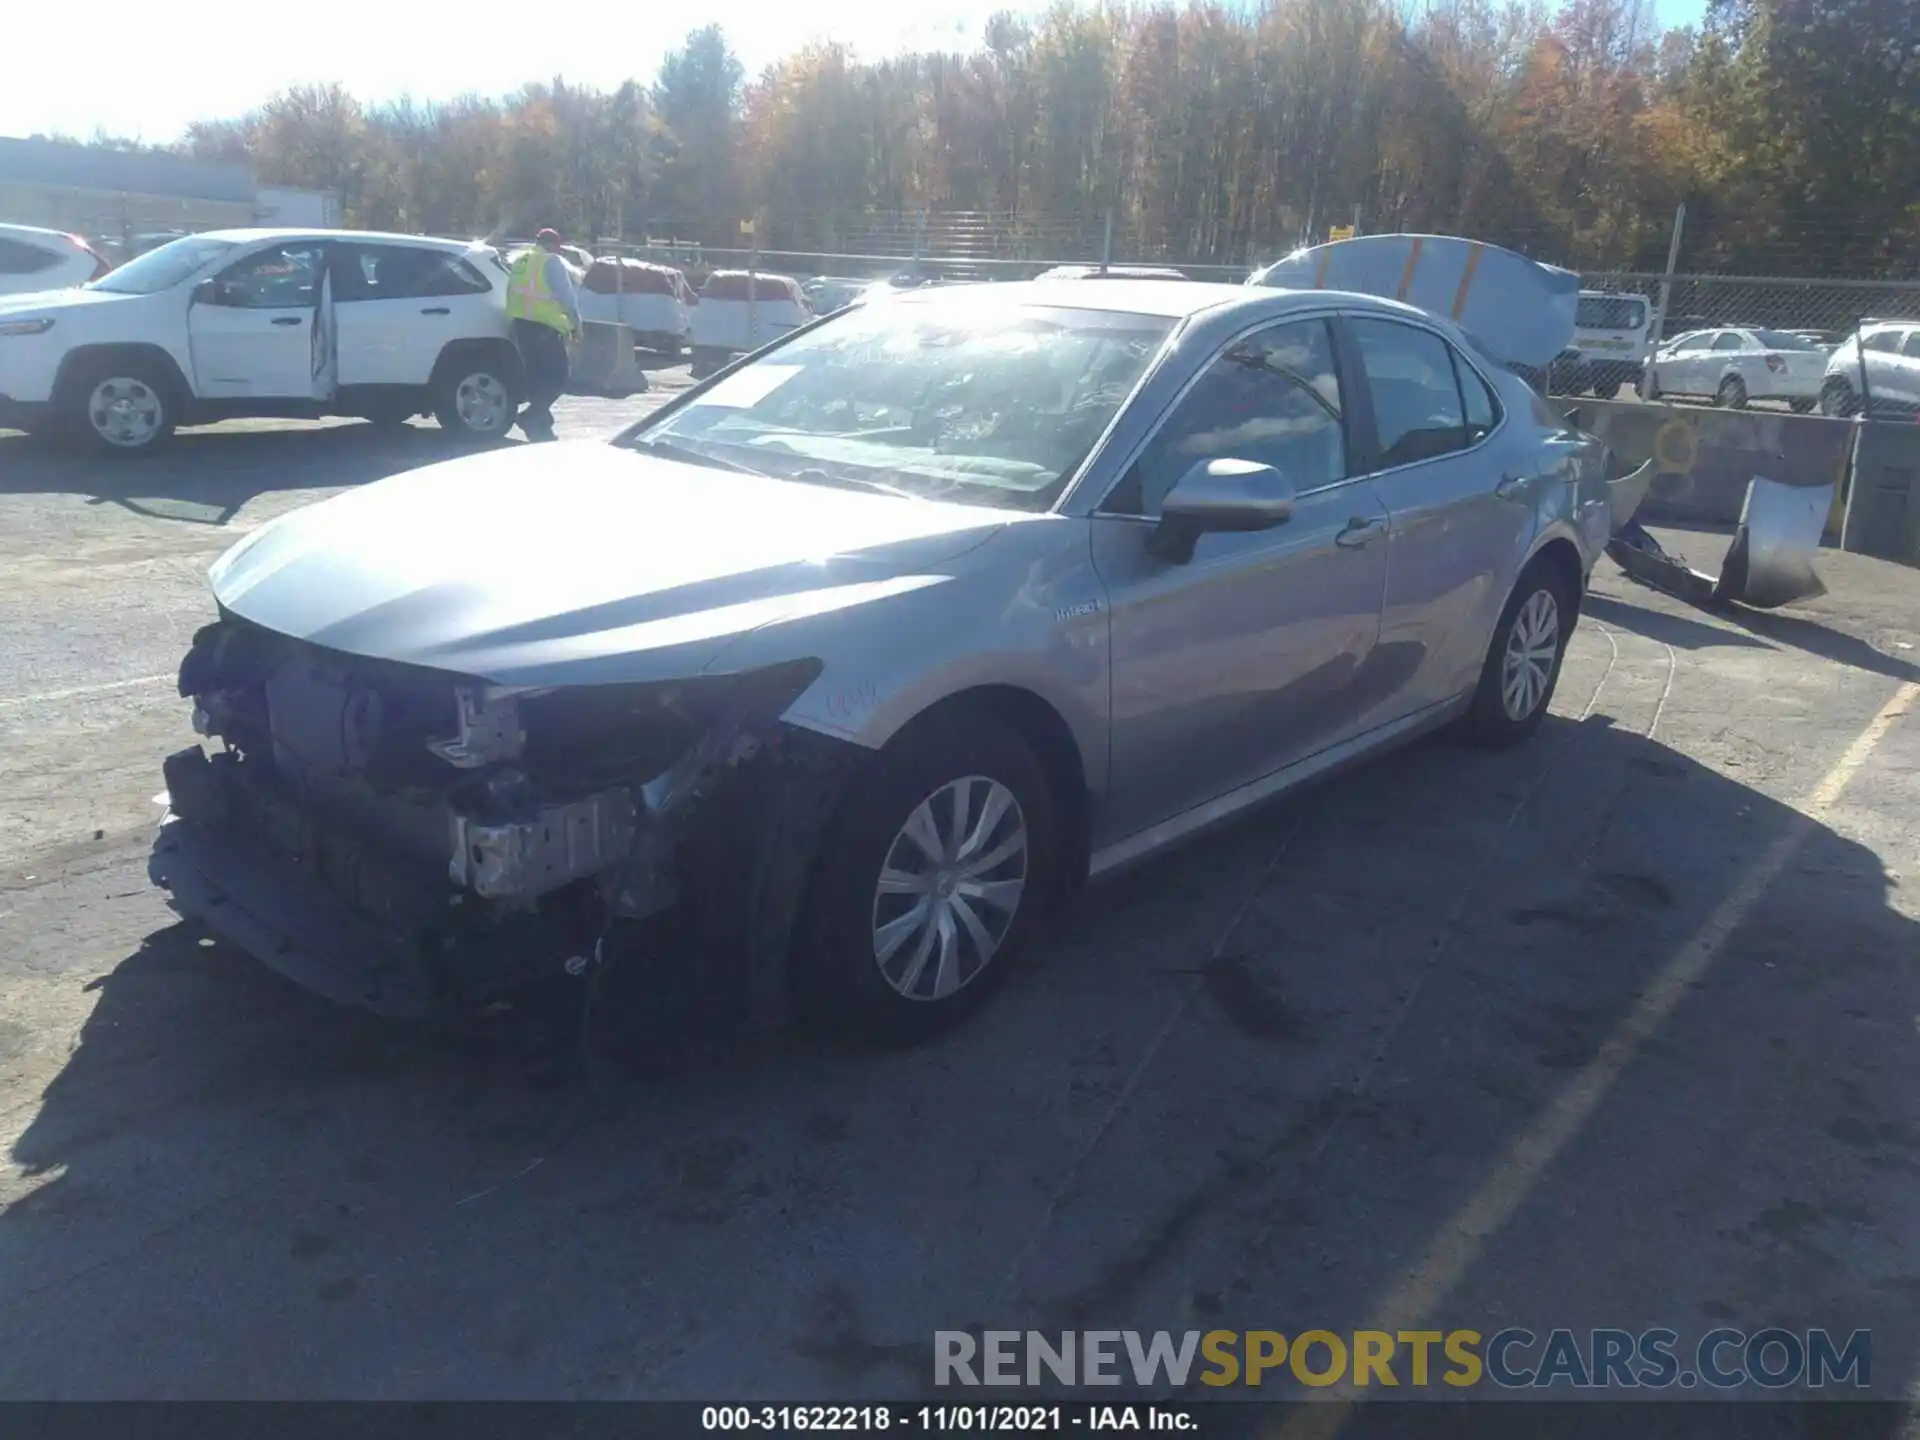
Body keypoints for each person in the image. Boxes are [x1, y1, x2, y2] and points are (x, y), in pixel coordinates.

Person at [505, 228, 580, 441]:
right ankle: (532, 415)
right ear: (552, 244)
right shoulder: (551, 262)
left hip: (522, 324)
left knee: (536, 374)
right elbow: (566, 298)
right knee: (559, 376)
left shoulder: (521, 261)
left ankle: (540, 418)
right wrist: (576, 325)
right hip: (546, 326)